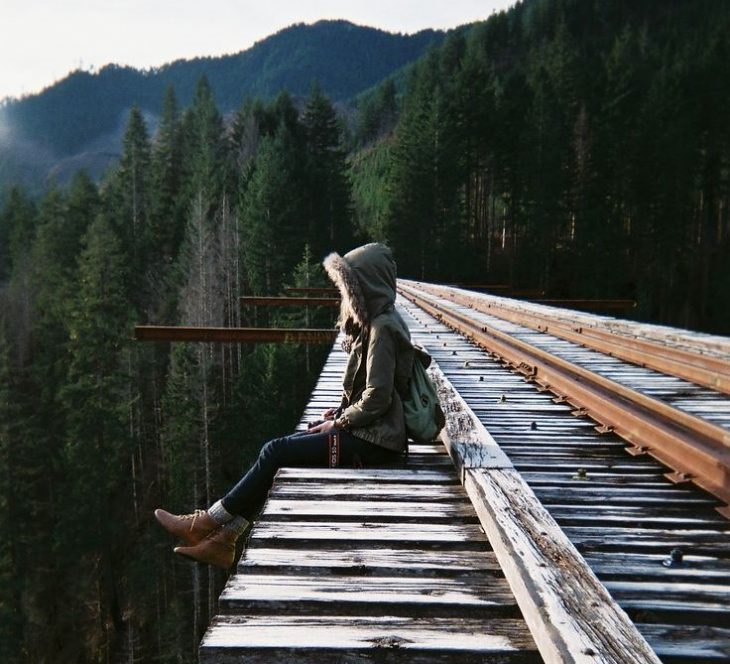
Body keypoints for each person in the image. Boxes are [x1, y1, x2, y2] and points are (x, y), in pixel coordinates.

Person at [154, 243, 415, 568]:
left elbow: (377, 397)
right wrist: (338, 414)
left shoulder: (382, 330)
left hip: (376, 446)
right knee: (286, 448)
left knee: (276, 451)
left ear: (367, 286)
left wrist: (340, 423)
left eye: (351, 288)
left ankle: (208, 523)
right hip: (372, 436)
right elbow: (369, 391)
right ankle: (224, 538)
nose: (345, 297)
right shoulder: (379, 324)